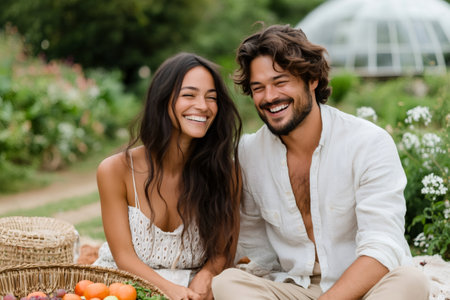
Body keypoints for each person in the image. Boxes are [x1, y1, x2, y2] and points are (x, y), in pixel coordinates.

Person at [212, 24, 429, 300]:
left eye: (280, 82)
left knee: (411, 281)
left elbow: (382, 246)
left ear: (312, 79)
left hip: (367, 288)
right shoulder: (248, 154)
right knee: (228, 283)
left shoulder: (368, 142)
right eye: (258, 88)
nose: (269, 97)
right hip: (295, 289)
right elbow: (256, 248)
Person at [93, 52, 242, 300]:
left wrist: (206, 275)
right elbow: (124, 258)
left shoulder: (226, 172)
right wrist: (172, 292)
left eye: (211, 98)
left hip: (192, 291)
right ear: (163, 100)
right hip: (121, 287)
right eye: (189, 95)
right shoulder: (115, 170)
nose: (203, 106)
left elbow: (222, 253)